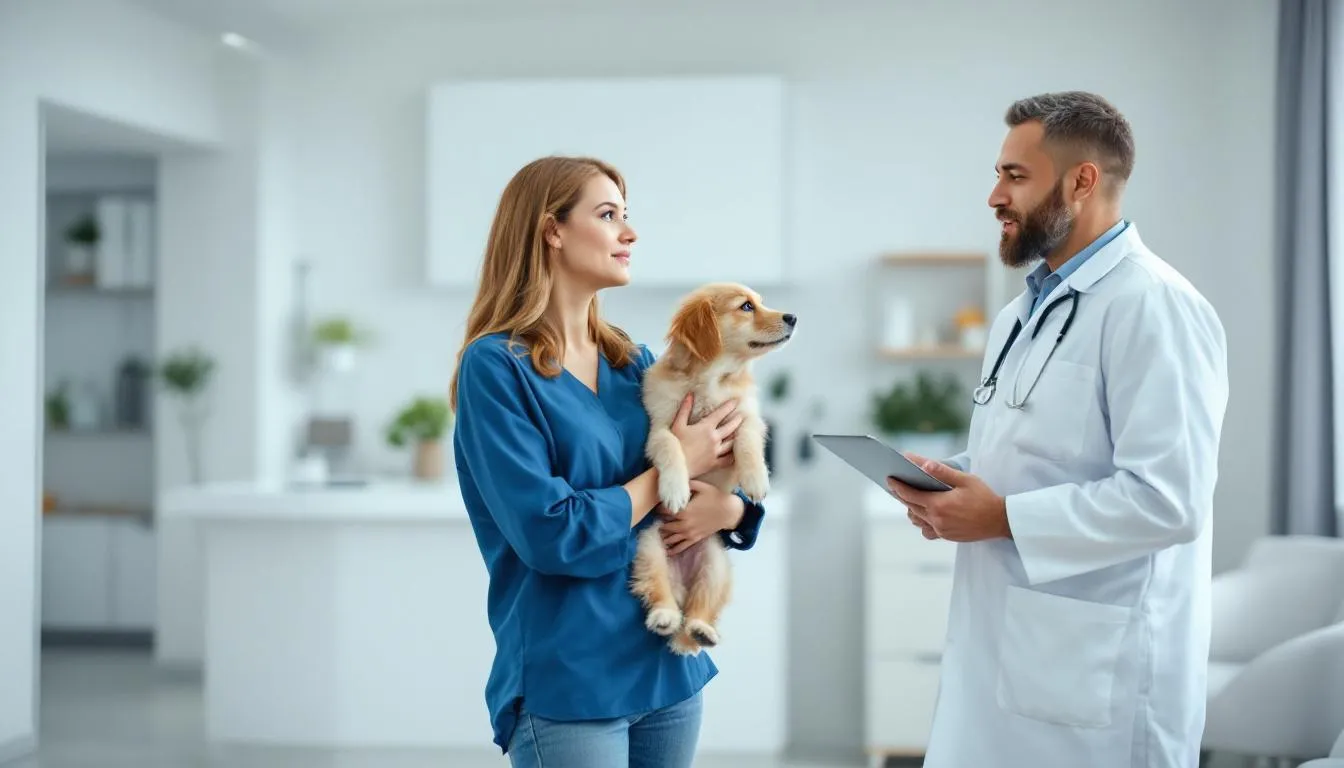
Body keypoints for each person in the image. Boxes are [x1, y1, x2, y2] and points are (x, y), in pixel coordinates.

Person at [887, 91, 1229, 768]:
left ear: (1082, 181)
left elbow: (1170, 500)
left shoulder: (1155, 306)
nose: (994, 196)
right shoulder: (1022, 313)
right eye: (998, 174)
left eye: (1015, 176)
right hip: (1007, 648)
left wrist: (1001, 517)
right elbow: (1038, 451)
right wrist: (950, 483)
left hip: (1097, 674)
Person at [448, 155, 768, 768]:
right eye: (608, 215)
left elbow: (720, 480)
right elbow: (551, 534)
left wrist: (732, 512)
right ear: (552, 230)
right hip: (571, 679)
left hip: (667, 670)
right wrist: (669, 471)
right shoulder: (495, 367)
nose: (630, 232)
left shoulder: (633, 361)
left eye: (627, 215)